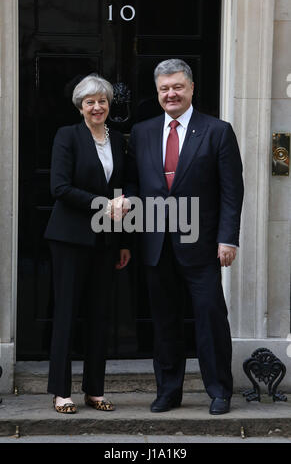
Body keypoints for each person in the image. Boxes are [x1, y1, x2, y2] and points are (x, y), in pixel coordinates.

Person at [124, 59, 244, 415]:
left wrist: (228, 239)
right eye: (164, 88)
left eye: (177, 87)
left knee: (210, 319)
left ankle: (220, 390)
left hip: (203, 245)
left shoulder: (217, 131)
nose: (171, 94)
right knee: (164, 323)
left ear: (191, 88)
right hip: (156, 244)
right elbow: (133, 180)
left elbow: (231, 192)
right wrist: (129, 199)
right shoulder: (143, 132)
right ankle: (168, 391)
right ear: (157, 92)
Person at [44, 74, 131, 413]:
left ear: (109, 105)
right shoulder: (67, 137)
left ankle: (94, 389)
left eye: (102, 101)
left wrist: (123, 241)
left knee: (99, 315)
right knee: (66, 313)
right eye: (90, 101)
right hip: (69, 237)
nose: (97, 107)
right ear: (80, 106)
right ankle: (60, 392)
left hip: (107, 239)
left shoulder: (119, 140)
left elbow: (122, 189)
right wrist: (102, 203)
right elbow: (59, 188)